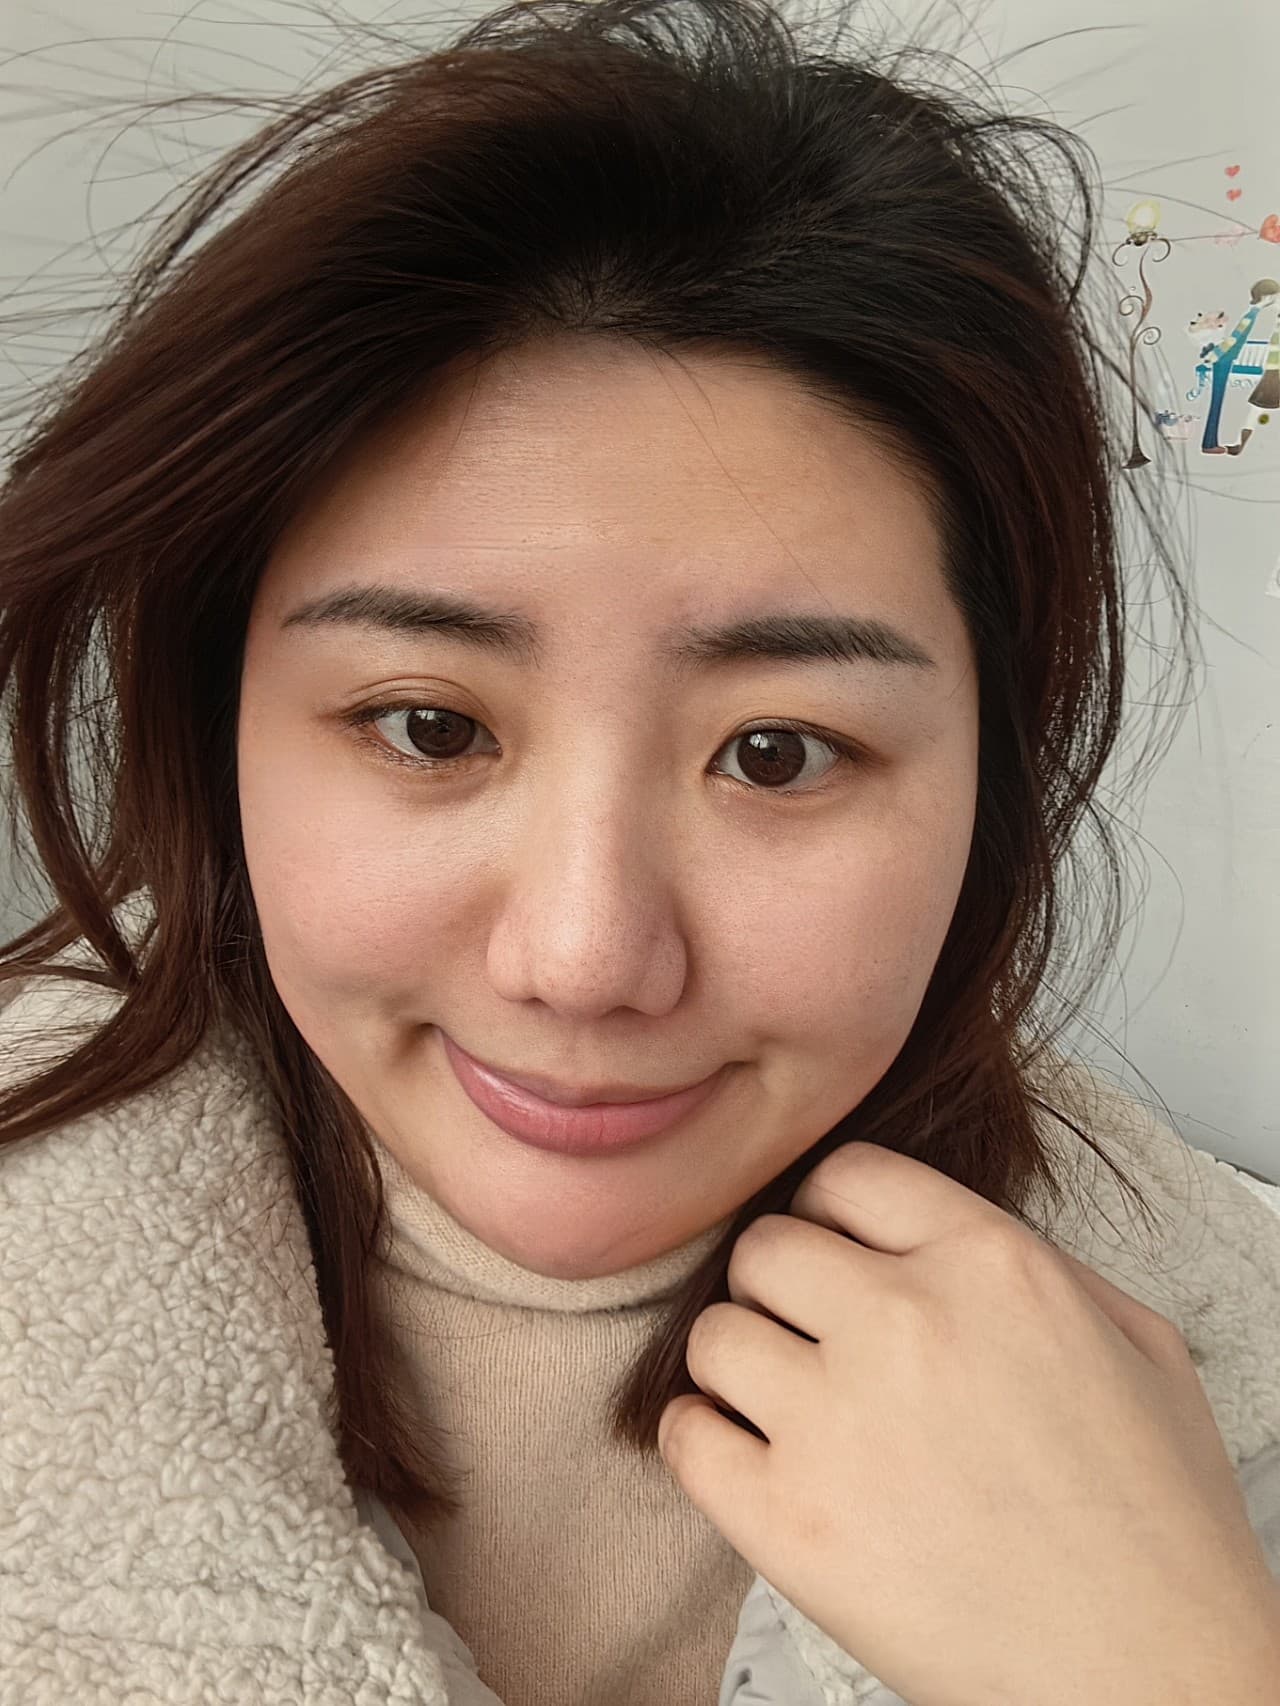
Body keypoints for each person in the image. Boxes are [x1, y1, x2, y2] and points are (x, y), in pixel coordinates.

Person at [0, 2, 1277, 1703]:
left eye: (776, 752)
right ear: (216, 726)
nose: (586, 955)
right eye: (430, 726)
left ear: (992, 777)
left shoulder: (1222, 1392)